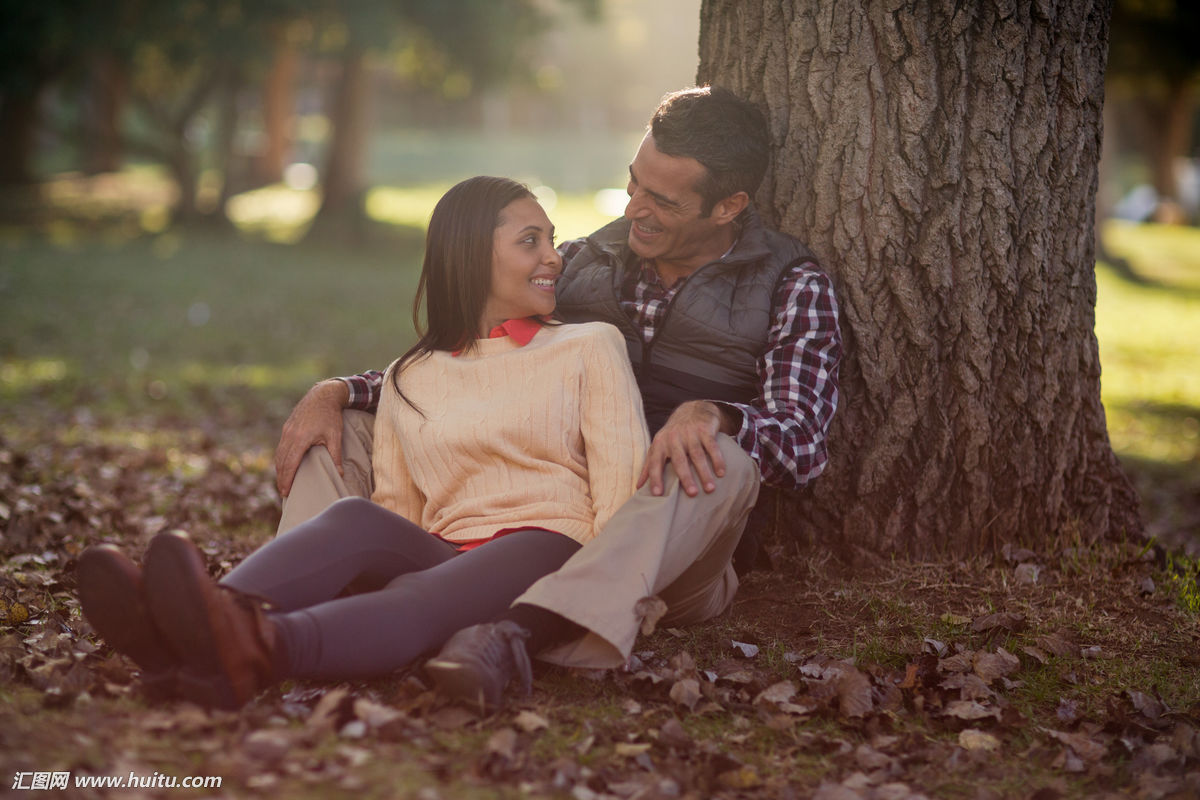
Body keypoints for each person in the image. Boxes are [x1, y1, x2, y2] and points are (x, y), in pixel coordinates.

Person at [276, 86, 843, 709]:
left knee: (720, 455)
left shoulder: (791, 284)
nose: (635, 211)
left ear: (727, 205)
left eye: (662, 201)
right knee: (349, 428)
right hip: (553, 508)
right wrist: (337, 391)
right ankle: (299, 600)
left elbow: (804, 443)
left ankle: (517, 633)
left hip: (666, 549)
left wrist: (720, 413)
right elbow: (465, 365)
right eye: (633, 185)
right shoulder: (582, 261)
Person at [75, 176, 649, 710]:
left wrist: (580, 605)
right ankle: (194, 622)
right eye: (532, 241)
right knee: (355, 518)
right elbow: (401, 513)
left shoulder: (590, 346)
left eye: (550, 238)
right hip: (448, 554)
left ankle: (257, 648)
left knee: (423, 594)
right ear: (471, 255)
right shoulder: (410, 376)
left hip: (550, 551)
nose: (555, 256)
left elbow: (623, 500)